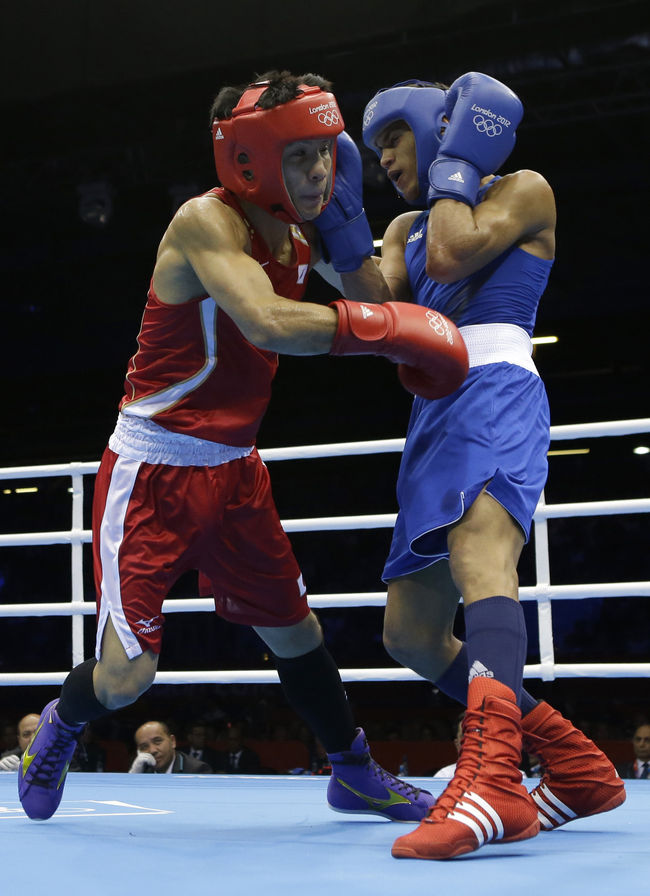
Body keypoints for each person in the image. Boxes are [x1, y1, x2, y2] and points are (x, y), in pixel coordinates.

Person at [19, 69, 468, 823]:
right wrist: (390, 333)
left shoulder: (303, 225)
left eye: (326, 151)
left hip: (235, 472)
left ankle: (353, 771)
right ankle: (59, 726)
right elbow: (269, 323)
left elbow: (383, 302)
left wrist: (351, 229)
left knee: (297, 631)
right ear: (249, 159)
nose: (321, 170)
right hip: (155, 467)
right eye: (300, 157)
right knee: (128, 678)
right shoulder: (207, 222)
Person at [360, 72, 626, 859]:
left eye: (395, 139)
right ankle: (574, 764)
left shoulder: (525, 191)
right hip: (433, 413)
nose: (387, 162)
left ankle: (494, 779)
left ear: (437, 125)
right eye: (377, 152)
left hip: (499, 389)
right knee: (409, 634)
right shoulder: (404, 224)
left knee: (482, 559)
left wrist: (458, 167)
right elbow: (381, 311)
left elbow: (453, 252)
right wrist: (344, 231)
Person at [129, 721, 212, 774]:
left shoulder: (197, 770)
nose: (152, 750)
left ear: (172, 741)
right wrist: (134, 776)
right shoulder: (141, 769)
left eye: (157, 741)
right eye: (144, 747)